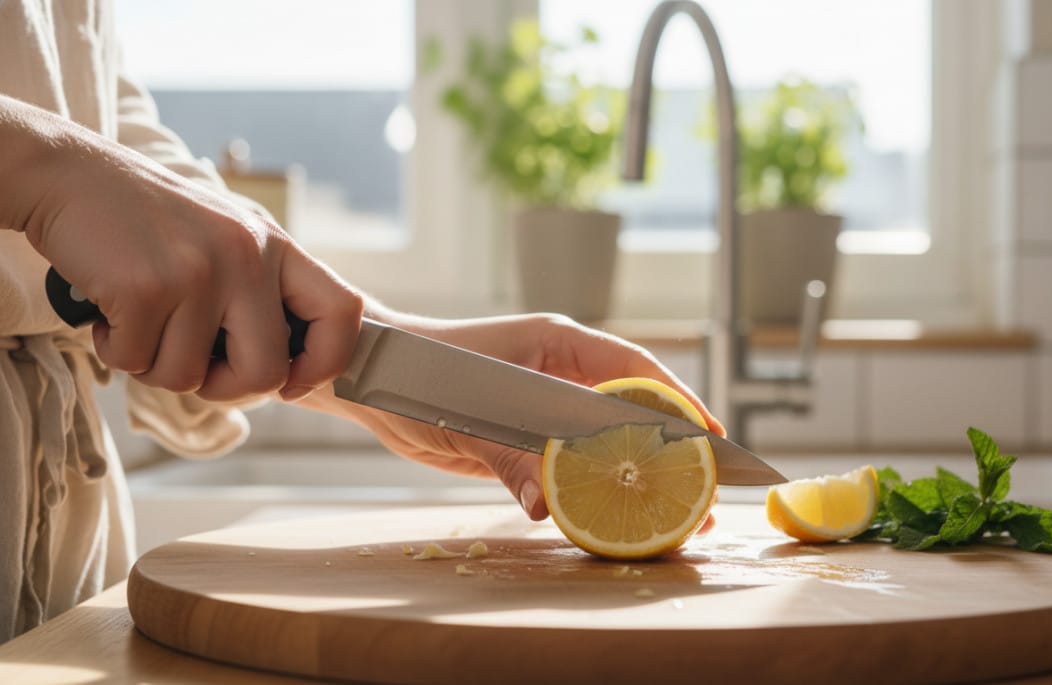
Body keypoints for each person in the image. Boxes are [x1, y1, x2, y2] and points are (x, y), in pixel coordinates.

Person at [0, 2, 722, 644]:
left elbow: (84, 98)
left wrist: (384, 347)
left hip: (61, 547)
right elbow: (74, 155)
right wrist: (48, 170)